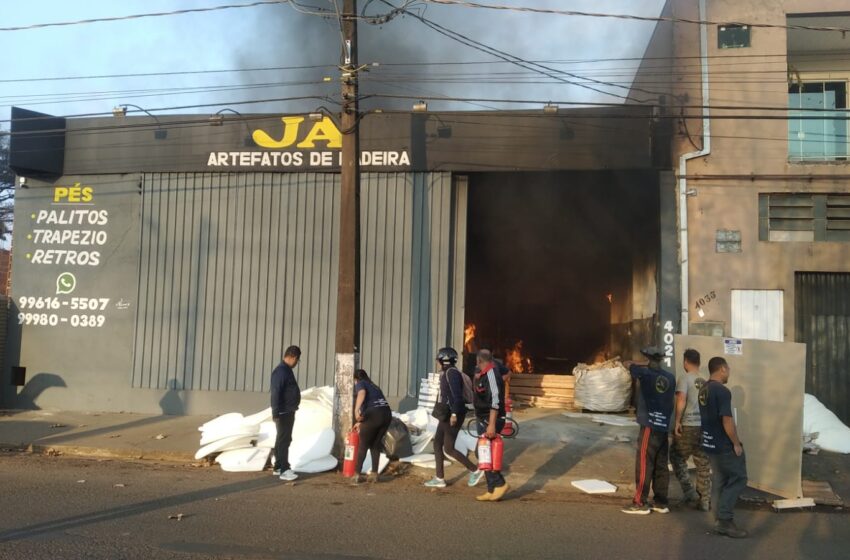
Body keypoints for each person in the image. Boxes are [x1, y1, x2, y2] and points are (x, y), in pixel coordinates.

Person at [622, 347, 676, 515]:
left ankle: (640, 502)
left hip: (649, 426)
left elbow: (626, 364)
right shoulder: (670, 377)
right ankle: (661, 501)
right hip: (663, 426)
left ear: (647, 359)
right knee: (661, 465)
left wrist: (642, 363)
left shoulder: (644, 374)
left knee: (645, 463)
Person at [699, 357, 748, 538]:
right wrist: (736, 443)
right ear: (722, 369)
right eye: (728, 369)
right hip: (723, 445)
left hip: (709, 443)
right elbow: (726, 420)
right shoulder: (722, 391)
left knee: (719, 480)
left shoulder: (703, 389)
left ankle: (718, 520)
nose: (729, 373)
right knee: (739, 478)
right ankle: (725, 521)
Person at [424, 347, 485, 489]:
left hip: (453, 414)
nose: (437, 360)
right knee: (437, 444)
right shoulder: (447, 372)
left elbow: (456, 396)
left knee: (449, 448)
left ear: (443, 359)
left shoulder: (451, 373)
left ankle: (475, 470)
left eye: (439, 357)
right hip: (446, 413)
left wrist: (454, 414)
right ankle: (439, 478)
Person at [670, 348, 711, 511]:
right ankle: (705, 501)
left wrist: (677, 422)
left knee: (677, 457)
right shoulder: (706, 380)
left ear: (685, 362)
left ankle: (690, 493)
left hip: (688, 425)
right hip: (703, 426)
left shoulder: (684, 378)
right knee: (703, 463)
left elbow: (681, 399)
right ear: (699, 363)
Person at [473, 349, 509, 501]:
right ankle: (491, 489)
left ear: (479, 361)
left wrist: (492, 425)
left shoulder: (492, 375)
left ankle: (500, 483)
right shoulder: (485, 372)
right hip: (483, 419)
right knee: (483, 452)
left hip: (491, 420)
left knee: (484, 452)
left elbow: (495, 401)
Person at [352, 369, 393, 484]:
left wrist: (356, 411)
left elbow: (362, 394)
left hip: (374, 414)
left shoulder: (360, 383)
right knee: (375, 444)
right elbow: (375, 404)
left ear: (356, 379)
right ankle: (374, 474)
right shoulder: (374, 386)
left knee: (363, 445)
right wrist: (362, 421)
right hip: (386, 415)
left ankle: (357, 474)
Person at [271, 345, 302, 482]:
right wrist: (276, 411)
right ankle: (284, 469)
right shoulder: (281, 371)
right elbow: (276, 392)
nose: (297, 363)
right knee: (284, 440)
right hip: (284, 411)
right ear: (293, 357)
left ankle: (278, 466)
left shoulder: (285, 370)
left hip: (286, 410)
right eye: (297, 360)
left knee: (281, 438)